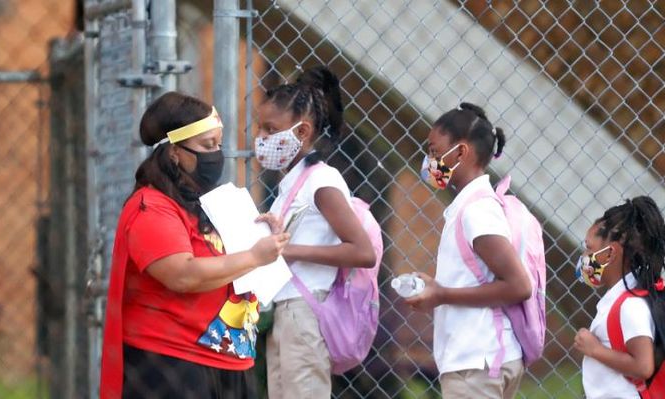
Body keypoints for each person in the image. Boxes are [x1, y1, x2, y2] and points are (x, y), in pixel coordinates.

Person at [98, 92, 290, 399]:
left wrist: (259, 237)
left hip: (228, 357)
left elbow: (229, 262)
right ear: (174, 152)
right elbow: (182, 274)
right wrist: (254, 256)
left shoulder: (208, 203)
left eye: (218, 143)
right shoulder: (151, 206)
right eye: (207, 145)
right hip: (171, 362)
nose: (217, 154)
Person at [254, 66, 376, 397]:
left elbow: (362, 252)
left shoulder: (321, 181)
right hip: (285, 312)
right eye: (260, 129)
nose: (262, 138)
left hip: (305, 312)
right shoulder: (290, 184)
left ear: (302, 130)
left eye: (271, 129)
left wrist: (287, 250)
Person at [404, 103, 531, 398]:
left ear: (460, 152)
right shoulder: (471, 208)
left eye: (434, 152)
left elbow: (518, 285)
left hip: (476, 362)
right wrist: (437, 288)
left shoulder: (477, 211)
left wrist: (442, 295)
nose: (429, 161)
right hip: (482, 358)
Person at [570, 196, 665, 398]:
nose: (585, 256)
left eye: (589, 248)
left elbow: (643, 366)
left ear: (610, 254)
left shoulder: (631, 306)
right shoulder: (620, 300)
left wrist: (594, 349)